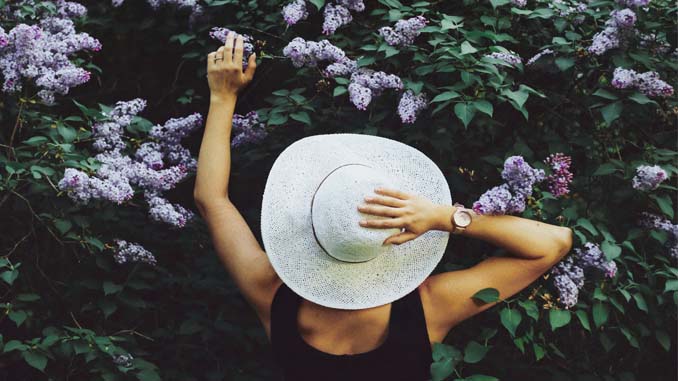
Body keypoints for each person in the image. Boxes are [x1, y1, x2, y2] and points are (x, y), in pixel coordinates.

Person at [193, 31, 574, 381]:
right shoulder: (428, 310)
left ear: (309, 221)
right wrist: (444, 217)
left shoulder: (271, 295)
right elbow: (552, 244)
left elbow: (211, 200)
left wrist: (223, 96)